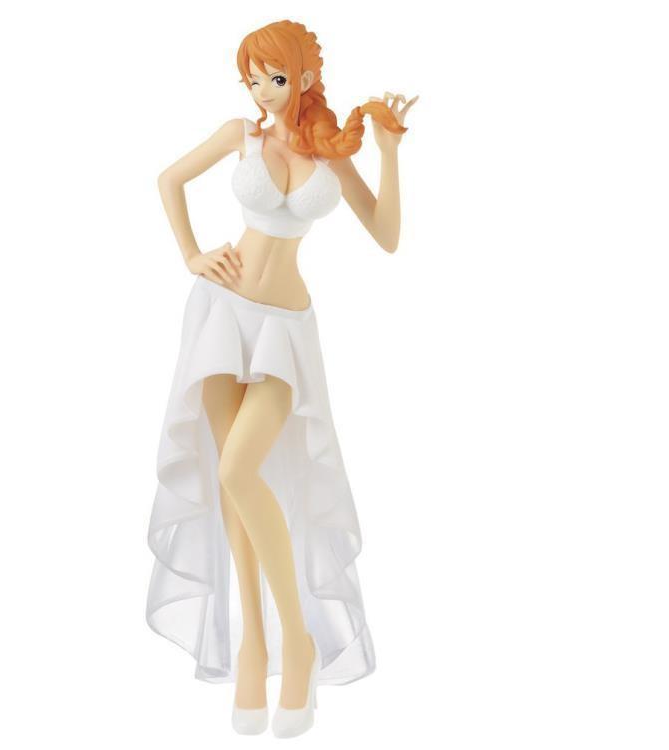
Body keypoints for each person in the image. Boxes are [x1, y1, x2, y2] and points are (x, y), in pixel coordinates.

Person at [145, 18, 418, 738]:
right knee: (231, 488)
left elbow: (387, 236)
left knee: (239, 470)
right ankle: (254, 648)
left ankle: (296, 641)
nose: (260, 92)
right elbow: (169, 179)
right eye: (251, 79)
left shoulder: (330, 152)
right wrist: (191, 254)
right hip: (220, 314)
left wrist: (389, 154)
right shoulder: (240, 134)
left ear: (305, 77)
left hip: (285, 331)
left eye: (272, 77)